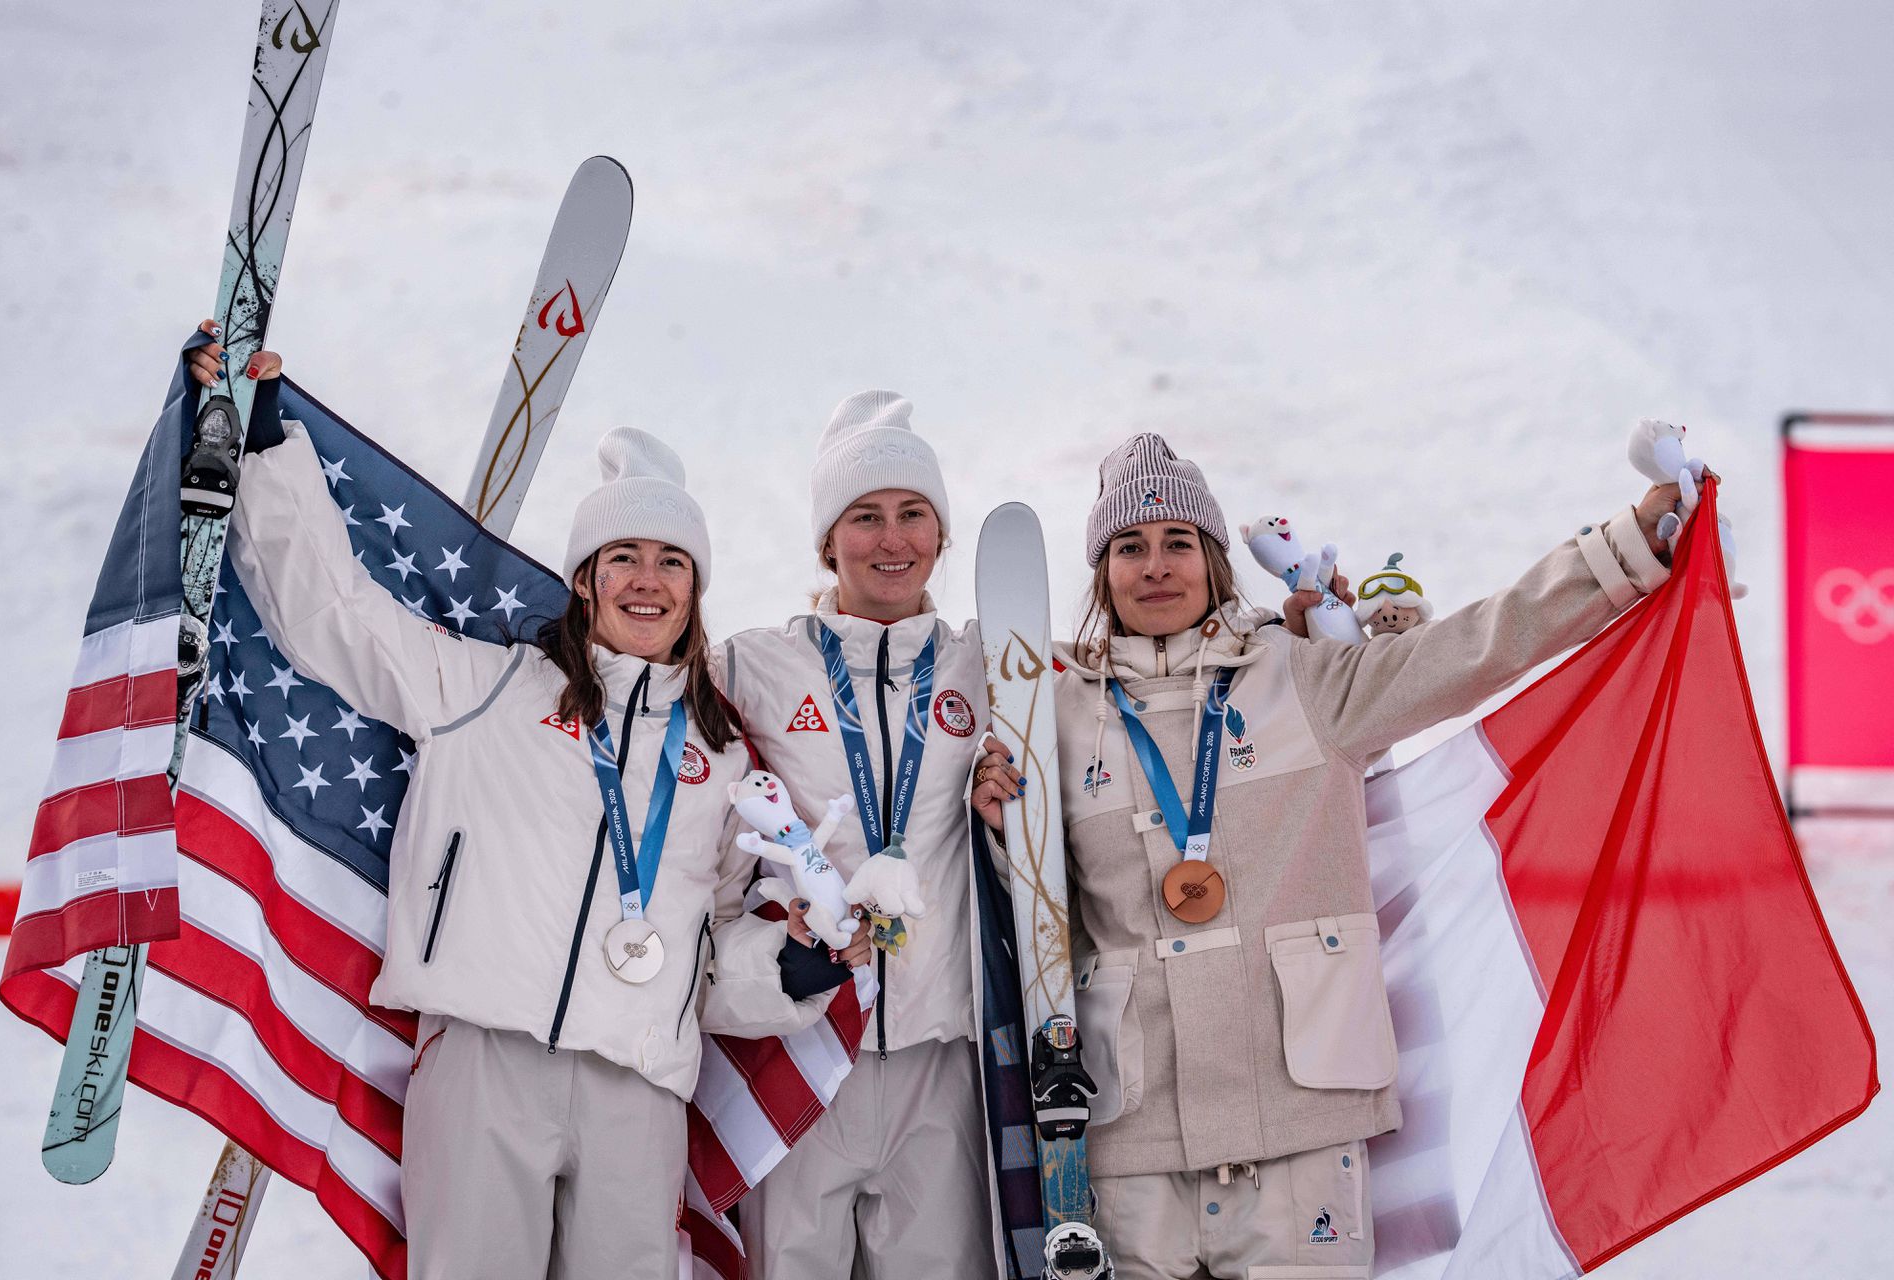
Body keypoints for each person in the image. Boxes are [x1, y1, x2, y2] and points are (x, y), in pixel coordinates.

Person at [185, 325, 861, 1280]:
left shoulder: (716, 759)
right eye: (623, 557)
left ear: (696, 588)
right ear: (584, 578)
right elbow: (335, 615)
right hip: (485, 1060)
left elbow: (704, 955)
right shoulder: (488, 690)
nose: (647, 582)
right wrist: (263, 440)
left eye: (671, 562)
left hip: (637, 1090)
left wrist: (790, 965)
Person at [972, 432, 1685, 1279]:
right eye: (1129, 547)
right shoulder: (1052, 713)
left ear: (1214, 562)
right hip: (1135, 1145)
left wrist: (1624, 550)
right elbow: (1044, 925)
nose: (1155, 566)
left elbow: (1477, 645)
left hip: (1301, 1133)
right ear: (1102, 572)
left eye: (1178, 543)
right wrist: (1000, 831)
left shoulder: (1307, 681)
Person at [719, 391, 1005, 1279]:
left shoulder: (989, 664)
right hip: (801, 1048)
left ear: (942, 534)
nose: (892, 539)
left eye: (913, 513)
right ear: (827, 542)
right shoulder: (753, 666)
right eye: (865, 516)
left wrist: (1294, 629)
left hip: (938, 1054)